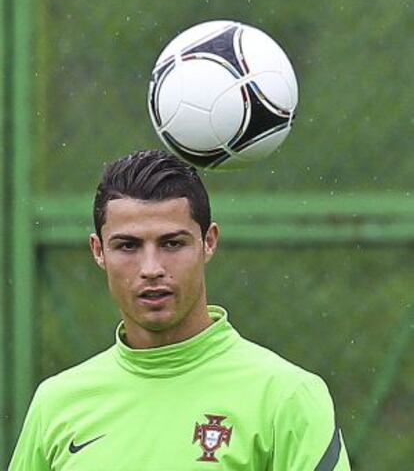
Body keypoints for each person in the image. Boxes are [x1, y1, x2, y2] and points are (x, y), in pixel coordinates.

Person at [9, 149, 351, 470]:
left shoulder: (287, 396)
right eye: (127, 246)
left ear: (209, 242)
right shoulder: (56, 404)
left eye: (172, 243)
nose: (151, 268)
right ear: (98, 251)